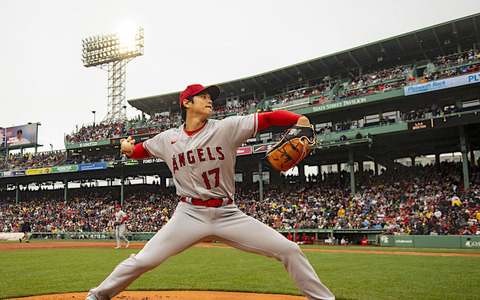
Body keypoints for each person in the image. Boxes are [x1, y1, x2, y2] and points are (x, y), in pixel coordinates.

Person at [86, 84, 335, 300]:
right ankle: (98, 294)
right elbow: (141, 151)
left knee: (289, 250)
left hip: (228, 213)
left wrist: (298, 119)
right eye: (203, 97)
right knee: (144, 260)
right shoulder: (167, 139)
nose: (210, 101)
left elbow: (267, 118)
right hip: (188, 214)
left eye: (210, 98)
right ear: (186, 103)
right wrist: (128, 148)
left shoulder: (226, 128)